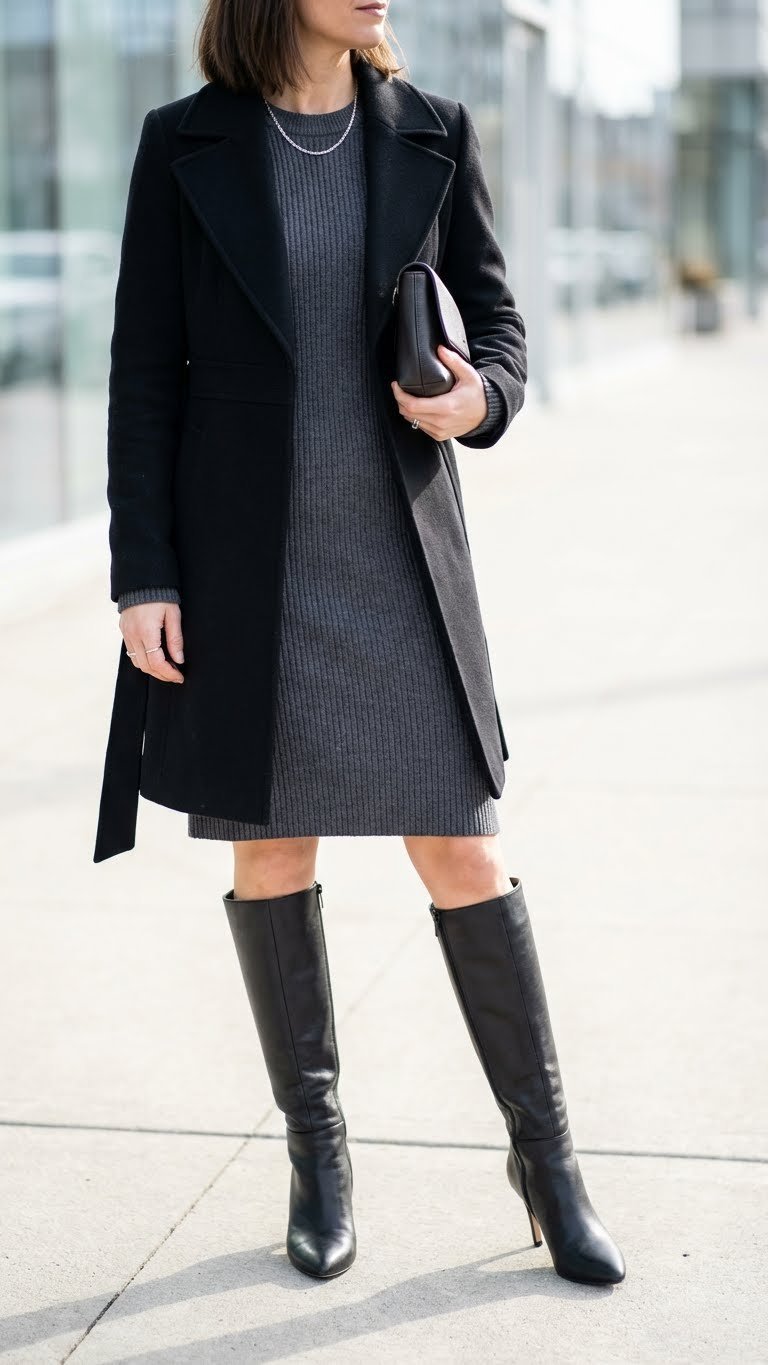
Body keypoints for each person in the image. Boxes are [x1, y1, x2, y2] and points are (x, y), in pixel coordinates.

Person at [93, 0, 625, 1287]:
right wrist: (144, 574)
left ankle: (547, 1164)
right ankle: (318, 1154)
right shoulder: (184, 143)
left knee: (461, 841)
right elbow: (142, 376)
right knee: (273, 847)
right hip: (244, 566)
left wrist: (477, 396)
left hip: (398, 559)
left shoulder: (434, 131)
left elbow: (499, 330)